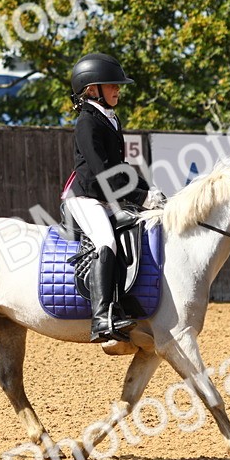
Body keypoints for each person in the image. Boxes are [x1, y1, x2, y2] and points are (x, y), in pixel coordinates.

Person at [61, 53, 152, 343]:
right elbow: (102, 172)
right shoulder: (86, 123)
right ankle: (101, 317)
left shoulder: (110, 119)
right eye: (112, 84)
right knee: (106, 241)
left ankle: (122, 302)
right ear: (92, 89)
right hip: (85, 199)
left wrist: (149, 190)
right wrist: (140, 196)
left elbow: (120, 168)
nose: (117, 89)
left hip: (106, 199)